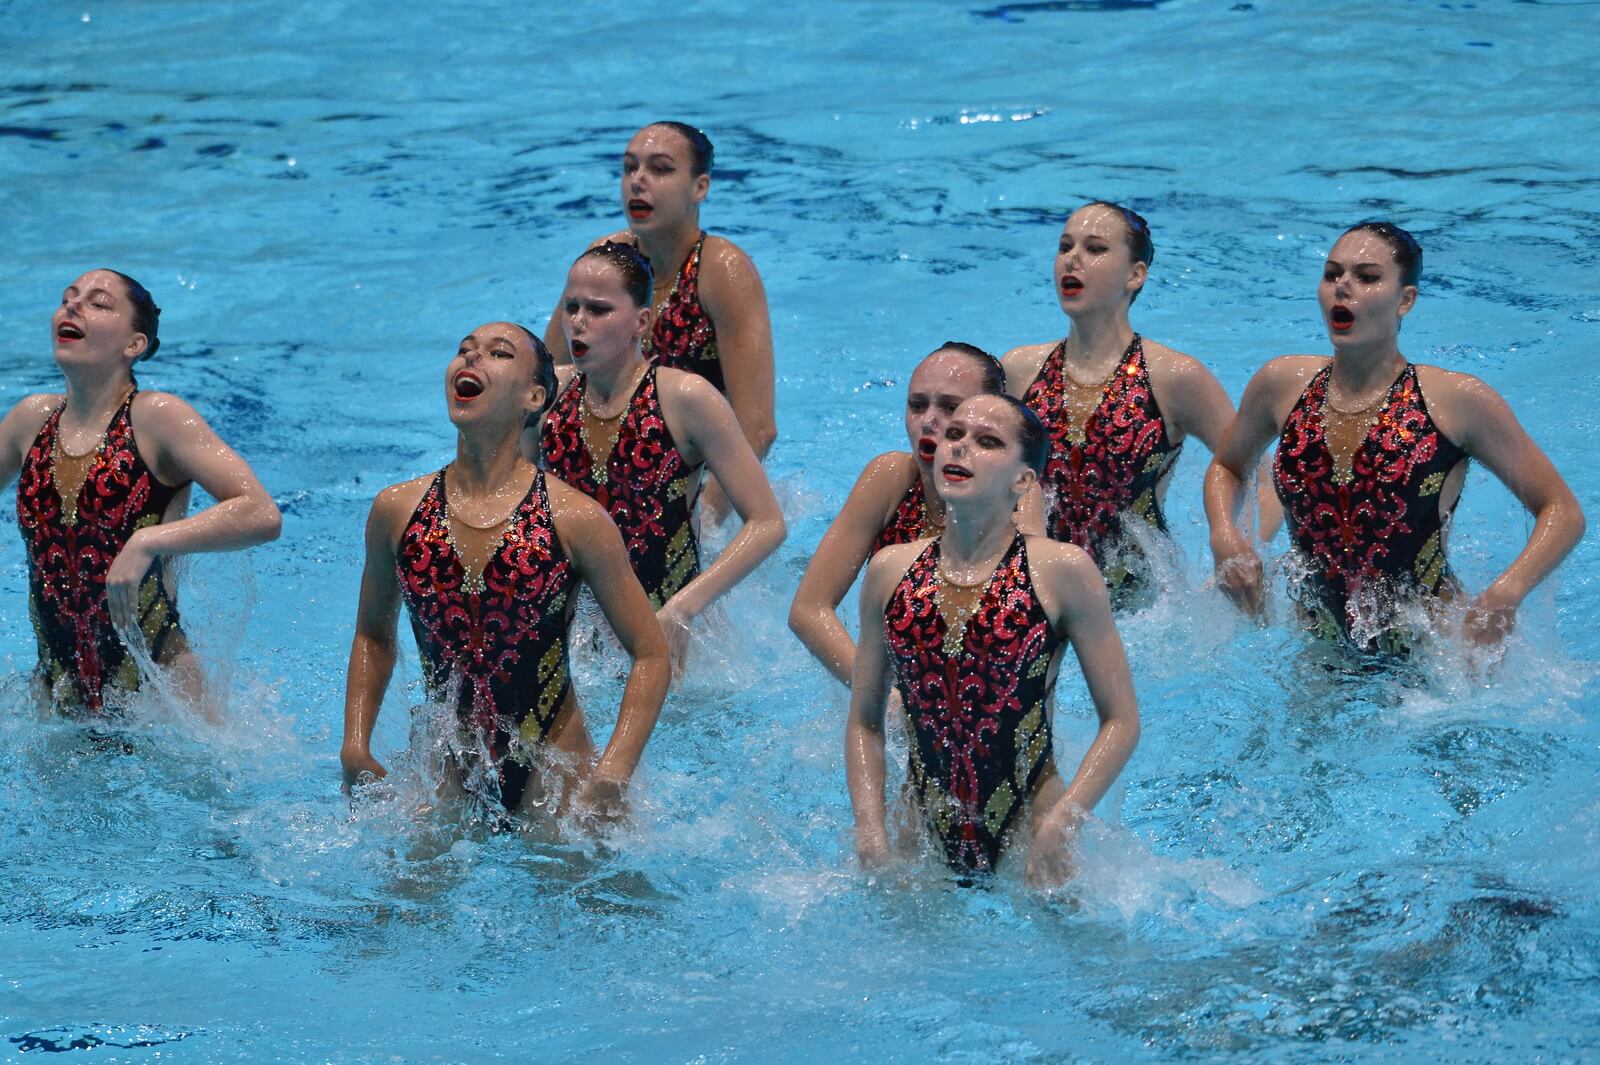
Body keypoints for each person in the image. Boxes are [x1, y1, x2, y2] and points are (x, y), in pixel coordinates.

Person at [340, 322, 670, 822]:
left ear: (534, 395)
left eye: (497, 353)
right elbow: (372, 635)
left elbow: (650, 654)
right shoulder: (397, 510)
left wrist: (614, 771)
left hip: (554, 769)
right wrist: (354, 743)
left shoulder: (574, 519)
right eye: (463, 349)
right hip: (446, 768)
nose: (470, 360)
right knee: (401, 901)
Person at [1205, 222, 1585, 652]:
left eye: (1367, 277)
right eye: (1332, 274)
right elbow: (1228, 466)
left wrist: (1505, 593)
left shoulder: (1455, 400)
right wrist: (1225, 535)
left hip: (1433, 656)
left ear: (1405, 300)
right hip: (1317, 645)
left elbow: (1563, 511)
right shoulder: (1281, 384)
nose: (1342, 287)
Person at [846, 395, 1140, 880]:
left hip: (1031, 837)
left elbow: (1122, 721)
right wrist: (870, 830)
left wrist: (1061, 826)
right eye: (955, 435)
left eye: (987, 442)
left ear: (1023, 481)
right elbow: (864, 722)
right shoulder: (890, 571)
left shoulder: (1061, 571)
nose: (958, 449)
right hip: (918, 841)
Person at [0, 269, 281, 715]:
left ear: (134, 344)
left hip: (161, 698)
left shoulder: (157, 419)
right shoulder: (29, 421)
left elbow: (261, 513)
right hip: (55, 698)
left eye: (98, 302)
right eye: (68, 298)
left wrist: (148, 540)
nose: (72, 307)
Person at [540, 243, 786, 667]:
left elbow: (767, 524)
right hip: (581, 639)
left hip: (675, 635)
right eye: (572, 307)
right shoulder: (547, 399)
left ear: (641, 322)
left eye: (598, 310)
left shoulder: (684, 399)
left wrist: (682, 610)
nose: (578, 322)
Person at [544, 121, 776, 520]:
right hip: (612, 466)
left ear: (699, 187)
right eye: (630, 167)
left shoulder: (721, 270)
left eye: (661, 169)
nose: (638, 181)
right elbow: (542, 379)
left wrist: (703, 521)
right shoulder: (606, 257)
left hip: (699, 481)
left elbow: (756, 427)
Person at [1004, 202, 1234, 593]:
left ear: (1135, 275)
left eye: (1094, 249)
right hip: (1040, 592)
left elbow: (1259, 474)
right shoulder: (1019, 370)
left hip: (1138, 609)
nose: (1071, 259)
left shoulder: (1174, 377)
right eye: (1064, 247)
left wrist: (1231, 552)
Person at [788, 342, 1007, 685]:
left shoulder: (1015, 495)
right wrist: (875, 693)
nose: (929, 421)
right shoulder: (890, 480)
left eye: (951, 407)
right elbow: (808, 610)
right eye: (917, 406)